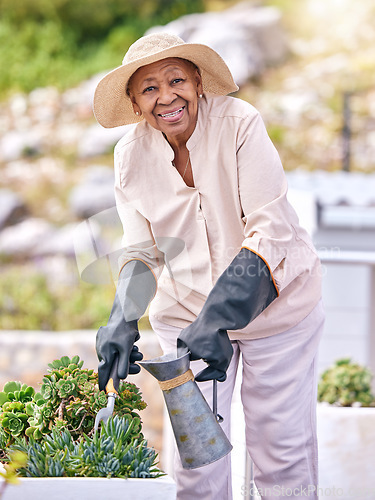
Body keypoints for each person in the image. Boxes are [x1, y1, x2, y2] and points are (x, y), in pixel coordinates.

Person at [93, 32, 324, 499]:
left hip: (276, 309)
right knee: (198, 461)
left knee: (280, 453)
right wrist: (122, 316)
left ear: (197, 82)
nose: (167, 97)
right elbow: (143, 252)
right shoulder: (129, 158)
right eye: (149, 88)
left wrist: (219, 315)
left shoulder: (240, 123)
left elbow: (270, 230)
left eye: (176, 79)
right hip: (186, 314)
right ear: (136, 104)